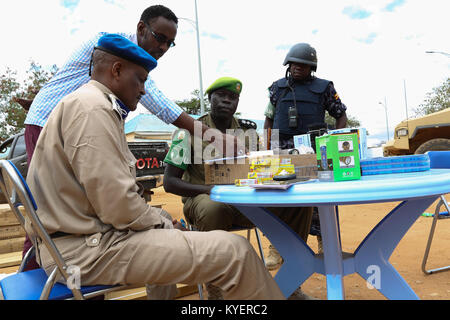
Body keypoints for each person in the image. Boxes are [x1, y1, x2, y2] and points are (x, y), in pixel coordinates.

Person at [25, 34, 285, 300]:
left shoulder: (89, 104)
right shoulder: (94, 110)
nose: (143, 90)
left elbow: (113, 202)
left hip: (79, 241)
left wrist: (160, 221)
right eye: (141, 79)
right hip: (85, 252)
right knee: (236, 252)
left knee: (167, 243)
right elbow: (120, 207)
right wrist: (164, 225)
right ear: (116, 70)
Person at [21, 4, 239, 271]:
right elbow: (157, 102)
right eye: (160, 38)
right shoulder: (114, 46)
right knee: (51, 207)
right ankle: (38, 272)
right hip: (47, 122)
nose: (163, 48)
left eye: (170, 44)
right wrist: (211, 136)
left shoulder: (240, 127)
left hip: (69, 122)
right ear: (140, 29)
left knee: (85, 207)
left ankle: (79, 266)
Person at [163, 77, 315, 300]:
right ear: (210, 98)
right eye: (221, 96)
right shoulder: (188, 132)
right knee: (215, 207)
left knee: (300, 204)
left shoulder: (247, 133)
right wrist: (209, 189)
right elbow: (169, 182)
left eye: (232, 97)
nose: (227, 101)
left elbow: (260, 170)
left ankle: (291, 284)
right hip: (204, 201)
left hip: (245, 203)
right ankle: (216, 291)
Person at [263, 42, 348, 267]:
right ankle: (277, 247)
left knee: (323, 199)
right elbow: (269, 119)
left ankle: (327, 243)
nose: (298, 67)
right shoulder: (276, 88)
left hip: (316, 152)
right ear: (288, 64)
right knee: (281, 199)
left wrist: (335, 142)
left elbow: (340, 114)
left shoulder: (325, 87)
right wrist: (267, 147)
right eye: (294, 63)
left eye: (304, 64)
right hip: (283, 153)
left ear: (312, 67)